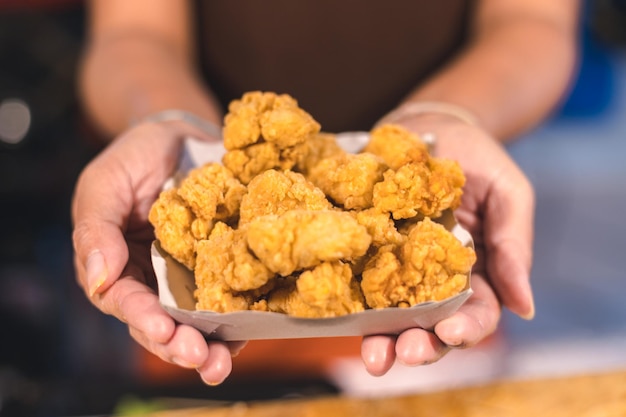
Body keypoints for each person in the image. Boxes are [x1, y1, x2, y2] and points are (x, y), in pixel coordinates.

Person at [72, 0, 580, 386]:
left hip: (439, 288)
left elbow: (535, 22)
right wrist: (169, 123)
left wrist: (450, 117)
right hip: (202, 311)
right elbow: (132, 31)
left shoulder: (414, 235)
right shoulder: (248, 205)